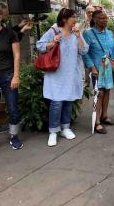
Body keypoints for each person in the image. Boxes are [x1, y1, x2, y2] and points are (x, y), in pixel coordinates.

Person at [37, 8, 88, 146]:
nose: (75, 20)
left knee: (68, 101)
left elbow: (84, 51)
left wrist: (78, 36)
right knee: (56, 102)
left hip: (71, 73)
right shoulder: (53, 31)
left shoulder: (75, 33)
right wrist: (52, 43)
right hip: (56, 74)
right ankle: (53, 131)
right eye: (73, 17)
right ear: (65, 19)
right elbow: (39, 46)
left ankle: (65, 128)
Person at [0, 2, 33, 134]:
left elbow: (17, 55)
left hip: (8, 75)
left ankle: (14, 136)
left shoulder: (9, 33)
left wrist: (16, 75)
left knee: (13, 107)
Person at [83, 10, 114, 134]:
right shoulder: (88, 34)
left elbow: (113, 49)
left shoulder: (110, 33)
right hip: (97, 69)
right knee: (100, 94)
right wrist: (91, 67)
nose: (105, 20)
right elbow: (85, 53)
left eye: (106, 18)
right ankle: (97, 122)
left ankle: (104, 116)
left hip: (108, 68)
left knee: (107, 91)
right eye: (102, 18)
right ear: (95, 19)